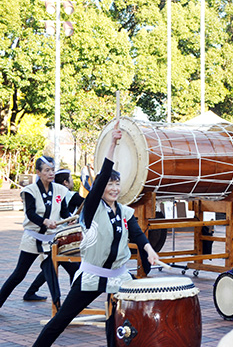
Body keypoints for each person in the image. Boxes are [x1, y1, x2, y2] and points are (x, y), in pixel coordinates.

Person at [32, 124, 159, 347]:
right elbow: (100, 180)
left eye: (117, 183)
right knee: (61, 320)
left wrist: (148, 249)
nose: (114, 188)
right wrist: (112, 144)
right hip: (92, 276)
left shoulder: (124, 211)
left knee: (118, 322)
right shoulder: (92, 208)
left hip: (119, 277)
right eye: (109, 184)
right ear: (101, 187)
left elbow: (137, 234)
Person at [0, 156, 72, 310]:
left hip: (52, 240)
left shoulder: (60, 190)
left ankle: (60, 309)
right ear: (38, 172)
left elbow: (64, 212)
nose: (51, 173)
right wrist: (45, 221)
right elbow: (31, 213)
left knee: (59, 272)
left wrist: (70, 219)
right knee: (19, 274)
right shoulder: (29, 191)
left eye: (52, 170)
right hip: (33, 238)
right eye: (47, 170)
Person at [23, 168, 84, 302]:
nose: (72, 182)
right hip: (56, 237)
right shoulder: (70, 195)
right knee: (60, 267)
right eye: (71, 179)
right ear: (65, 182)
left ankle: (32, 292)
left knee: (52, 267)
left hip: (55, 235)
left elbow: (64, 213)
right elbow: (86, 203)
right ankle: (73, 302)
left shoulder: (60, 193)